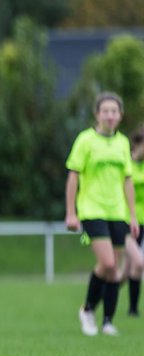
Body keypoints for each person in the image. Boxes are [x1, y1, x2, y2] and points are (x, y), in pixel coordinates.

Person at [64, 93, 139, 336]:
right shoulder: (85, 140)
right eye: (105, 111)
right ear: (97, 114)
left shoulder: (123, 143)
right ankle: (87, 310)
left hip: (117, 211)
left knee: (114, 269)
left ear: (120, 115)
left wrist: (133, 216)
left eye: (114, 111)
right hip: (92, 209)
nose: (109, 115)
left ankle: (107, 321)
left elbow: (128, 182)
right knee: (107, 263)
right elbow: (73, 176)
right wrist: (71, 212)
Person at [126, 125, 144, 317]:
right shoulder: (126, 164)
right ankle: (133, 309)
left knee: (126, 271)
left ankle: (132, 309)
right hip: (129, 222)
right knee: (136, 264)